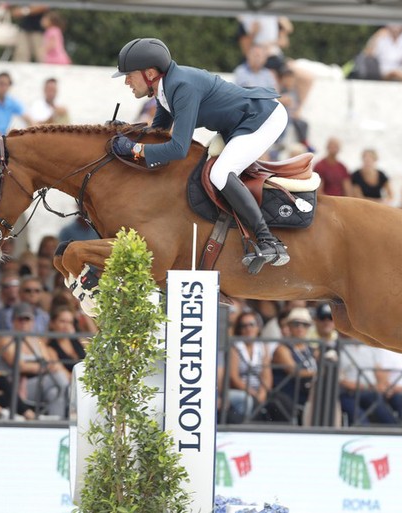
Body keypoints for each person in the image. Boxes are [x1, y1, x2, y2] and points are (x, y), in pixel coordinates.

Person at [111, 37, 289, 273]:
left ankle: (269, 242)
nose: (126, 82)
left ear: (150, 73)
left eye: (129, 75)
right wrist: (126, 132)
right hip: (238, 125)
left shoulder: (181, 86)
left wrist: (133, 149)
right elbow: (159, 133)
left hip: (263, 118)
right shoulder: (164, 87)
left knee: (221, 173)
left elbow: (178, 148)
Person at [0, 302, 70, 418]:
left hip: (40, 382)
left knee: (54, 393)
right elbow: (20, 366)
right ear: (13, 321)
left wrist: (39, 367)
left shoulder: (37, 341)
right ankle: (73, 406)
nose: (23, 323)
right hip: (17, 386)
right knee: (59, 376)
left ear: (32, 322)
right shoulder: (7, 340)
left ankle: (56, 423)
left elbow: (47, 362)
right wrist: (42, 367)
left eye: (27, 319)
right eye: (20, 319)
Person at [227, 310, 272, 422]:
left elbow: (267, 376)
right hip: (242, 390)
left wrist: (262, 393)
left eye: (251, 324)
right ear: (239, 329)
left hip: (260, 390)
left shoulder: (262, 346)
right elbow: (234, 378)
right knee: (248, 401)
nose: (248, 329)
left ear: (258, 327)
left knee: (281, 402)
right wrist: (252, 392)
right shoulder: (235, 347)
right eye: (244, 326)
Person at [46, 305, 86, 374]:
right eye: (62, 321)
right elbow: (63, 373)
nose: (66, 326)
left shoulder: (78, 339)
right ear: (52, 323)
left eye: (70, 322)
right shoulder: (51, 348)